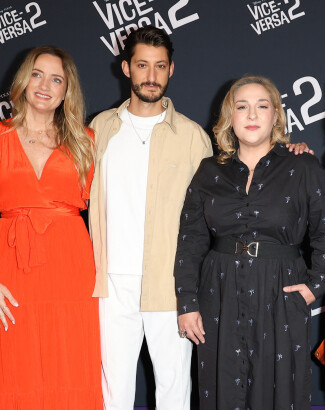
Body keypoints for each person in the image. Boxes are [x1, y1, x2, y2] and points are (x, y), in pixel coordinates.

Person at [174, 75, 325, 410]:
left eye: (262, 106)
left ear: (275, 115)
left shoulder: (303, 166)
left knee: (279, 392)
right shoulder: (208, 172)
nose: (252, 115)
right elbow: (190, 241)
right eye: (242, 107)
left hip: (281, 290)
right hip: (219, 292)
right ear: (229, 118)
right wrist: (187, 303)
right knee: (222, 388)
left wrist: (315, 285)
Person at [0, 46, 102, 409]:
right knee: (15, 359)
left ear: (66, 90)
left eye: (56, 79)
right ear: (23, 79)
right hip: (11, 266)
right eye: (38, 74)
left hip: (70, 265)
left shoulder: (85, 141)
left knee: (70, 361)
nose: (45, 85)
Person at [88, 26, 213, 410]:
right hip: (110, 283)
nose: (151, 76)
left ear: (171, 69)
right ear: (126, 68)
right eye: (142, 65)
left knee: (175, 393)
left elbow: (211, 215)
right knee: (113, 394)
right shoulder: (98, 129)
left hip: (170, 282)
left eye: (160, 66)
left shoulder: (193, 137)